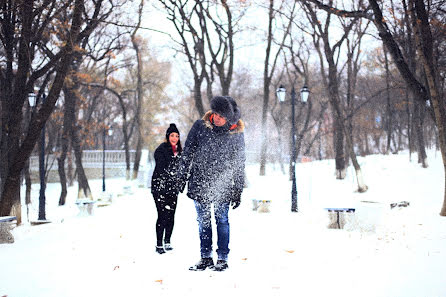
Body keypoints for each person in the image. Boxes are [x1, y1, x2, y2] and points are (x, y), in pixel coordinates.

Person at [177, 96, 245, 271]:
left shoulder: (235, 134)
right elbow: (188, 152)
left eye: (221, 116)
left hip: (222, 184)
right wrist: (181, 176)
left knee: (221, 220)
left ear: (228, 118)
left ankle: (222, 258)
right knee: (203, 221)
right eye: (215, 114)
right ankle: (206, 257)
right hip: (200, 181)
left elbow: (239, 163)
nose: (216, 118)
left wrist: (238, 189)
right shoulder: (200, 127)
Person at [151, 123, 182, 254]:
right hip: (160, 187)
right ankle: (159, 244)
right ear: (168, 136)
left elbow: (182, 169)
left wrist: (180, 183)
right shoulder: (161, 150)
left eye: (177, 136)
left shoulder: (180, 152)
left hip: (172, 188)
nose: (175, 138)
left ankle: (167, 241)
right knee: (162, 214)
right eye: (172, 135)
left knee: (171, 215)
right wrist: (173, 175)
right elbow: (162, 168)